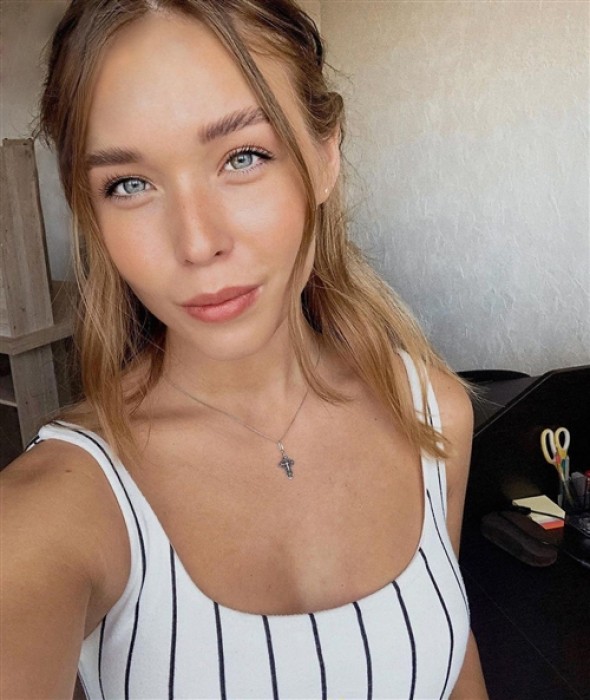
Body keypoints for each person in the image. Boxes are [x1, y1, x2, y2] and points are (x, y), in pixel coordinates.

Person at [1, 1, 488, 698]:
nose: (198, 243)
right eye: (129, 185)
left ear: (325, 156)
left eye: (243, 156)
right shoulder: (56, 509)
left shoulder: (433, 415)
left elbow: (450, 654)